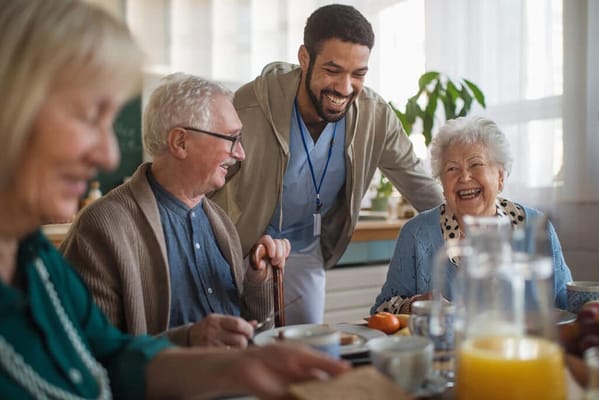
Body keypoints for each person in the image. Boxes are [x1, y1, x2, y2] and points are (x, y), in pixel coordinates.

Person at [0, 1, 348, 399]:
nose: (110, 156)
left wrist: (246, 363)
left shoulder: (37, 261)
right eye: (86, 115)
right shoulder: (103, 227)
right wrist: (196, 345)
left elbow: (109, 354)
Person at [210, 4, 444, 324]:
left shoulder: (375, 116)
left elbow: (420, 184)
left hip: (305, 250)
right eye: (333, 70)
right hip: (240, 249)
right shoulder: (249, 106)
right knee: (239, 350)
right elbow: (206, 184)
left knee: (308, 354)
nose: (345, 88)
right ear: (304, 59)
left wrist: (473, 225)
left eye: (358, 74)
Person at [60, 72, 291, 349]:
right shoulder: (102, 227)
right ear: (180, 142)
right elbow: (92, 352)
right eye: (231, 138)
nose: (240, 153)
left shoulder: (220, 222)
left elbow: (250, 329)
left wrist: (258, 279)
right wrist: (189, 340)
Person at [371, 116, 573, 314]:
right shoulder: (416, 233)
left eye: (476, 165)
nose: (464, 177)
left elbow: (565, 304)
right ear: (442, 183)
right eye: (452, 169)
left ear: (500, 177)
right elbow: (381, 311)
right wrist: (415, 304)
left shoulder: (536, 227)